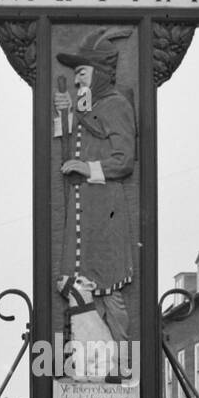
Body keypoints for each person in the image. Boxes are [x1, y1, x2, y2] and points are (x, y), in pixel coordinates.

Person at [52, 28, 136, 345]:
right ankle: (88, 356)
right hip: (82, 213)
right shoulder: (86, 107)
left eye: (82, 73)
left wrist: (88, 168)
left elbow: (124, 159)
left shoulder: (116, 105)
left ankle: (121, 356)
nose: (76, 81)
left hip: (104, 213)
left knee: (107, 291)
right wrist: (66, 115)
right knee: (79, 287)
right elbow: (72, 151)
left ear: (99, 73)